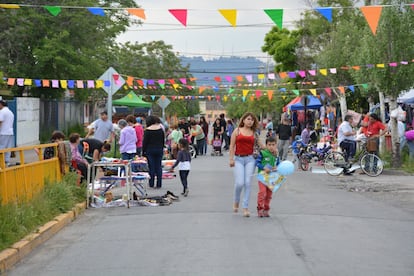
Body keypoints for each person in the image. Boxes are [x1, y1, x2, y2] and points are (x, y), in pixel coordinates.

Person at [229, 112, 263, 217]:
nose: (250, 121)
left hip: (250, 159)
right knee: (240, 183)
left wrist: (272, 149)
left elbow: (262, 146)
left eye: (252, 120)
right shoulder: (237, 131)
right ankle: (236, 201)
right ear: (243, 120)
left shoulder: (254, 133)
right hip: (238, 158)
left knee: (248, 183)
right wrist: (231, 159)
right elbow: (231, 146)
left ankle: (245, 207)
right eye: (248, 119)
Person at [255, 136, 279, 217]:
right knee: (262, 192)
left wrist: (277, 168)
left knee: (269, 195)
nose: (271, 147)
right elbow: (257, 163)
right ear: (266, 145)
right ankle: (260, 208)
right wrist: (263, 168)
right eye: (269, 145)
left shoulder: (276, 155)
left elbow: (279, 165)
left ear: (276, 145)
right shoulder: (263, 153)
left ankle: (266, 209)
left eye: (273, 145)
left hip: (272, 177)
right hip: (262, 176)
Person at [142, 115, 165, 189]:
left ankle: (151, 183)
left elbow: (145, 142)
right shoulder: (160, 129)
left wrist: (143, 151)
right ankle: (159, 183)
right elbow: (162, 140)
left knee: (151, 167)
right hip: (159, 149)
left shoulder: (147, 131)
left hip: (150, 150)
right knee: (158, 166)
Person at [0, 99, 15, 166]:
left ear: (1, 104)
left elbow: (0, 121)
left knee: (1, 147)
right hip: (10, 132)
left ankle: (1, 162)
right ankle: (7, 161)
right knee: (8, 148)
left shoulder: (2, 111)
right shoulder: (10, 112)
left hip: (3, 132)